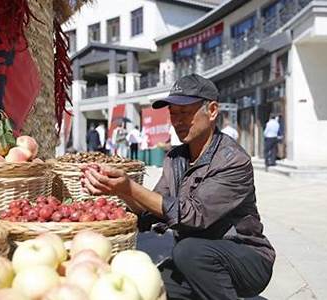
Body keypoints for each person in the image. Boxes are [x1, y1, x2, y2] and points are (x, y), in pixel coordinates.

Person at [81, 74, 275, 300]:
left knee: (189, 251)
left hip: (246, 257)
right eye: (173, 114)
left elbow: (193, 215)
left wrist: (130, 187)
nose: (178, 121)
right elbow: (150, 211)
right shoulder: (175, 158)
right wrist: (119, 190)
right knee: (155, 285)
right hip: (199, 258)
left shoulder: (233, 160)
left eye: (185, 113)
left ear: (212, 111)